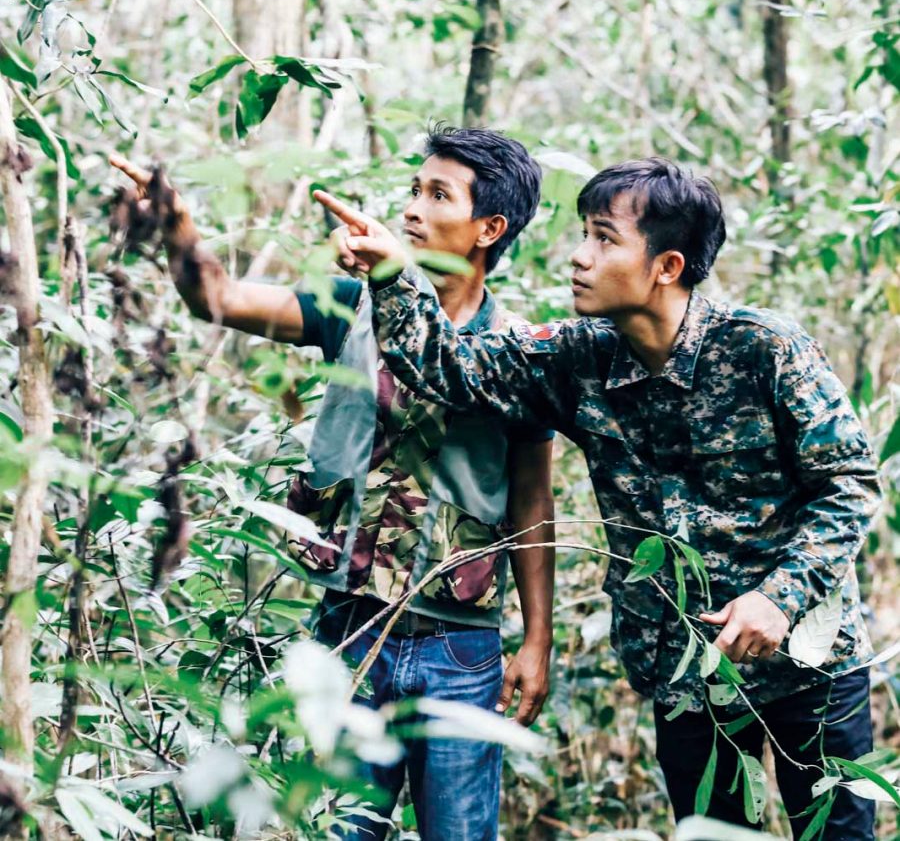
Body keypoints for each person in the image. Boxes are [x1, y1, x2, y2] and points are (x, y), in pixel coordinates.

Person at [314, 157, 882, 839]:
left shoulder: (767, 351)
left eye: (604, 238)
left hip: (809, 672)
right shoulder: (574, 357)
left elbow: (848, 485)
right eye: (584, 233)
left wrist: (779, 597)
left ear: (666, 266)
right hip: (687, 679)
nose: (579, 258)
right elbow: (449, 369)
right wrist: (389, 274)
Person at [109, 125, 556, 841]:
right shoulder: (350, 305)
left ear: (488, 228)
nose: (412, 208)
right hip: (349, 632)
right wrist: (178, 224)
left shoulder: (521, 352)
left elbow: (535, 501)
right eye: (414, 189)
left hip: (461, 648)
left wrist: (538, 640)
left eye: (437, 195)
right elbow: (216, 296)